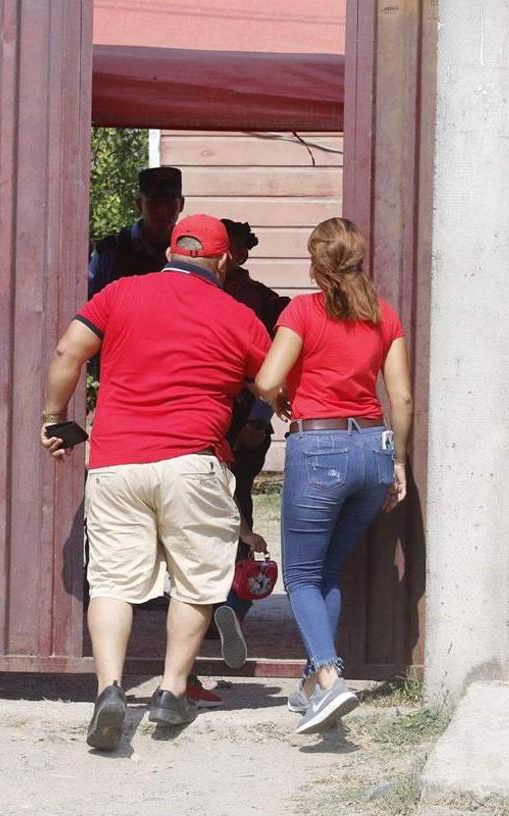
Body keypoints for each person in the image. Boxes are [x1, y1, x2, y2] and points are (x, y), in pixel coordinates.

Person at [42, 214, 272, 752]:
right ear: (222, 260)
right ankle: (171, 691)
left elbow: (66, 353)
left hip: (117, 461)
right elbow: (270, 383)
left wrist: (54, 418)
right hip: (193, 462)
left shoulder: (119, 293)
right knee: (195, 581)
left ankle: (110, 691)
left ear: (172, 249)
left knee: (114, 582)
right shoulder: (239, 316)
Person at [253, 217, 413, 736]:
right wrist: (400, 462)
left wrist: (280, 396)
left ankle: (328, 679)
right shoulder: (384, 315)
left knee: (300, 575)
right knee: (326, 573)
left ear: (315, 264)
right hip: (373, 448)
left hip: (319, 445)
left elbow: (267, 380)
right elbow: (403, 398)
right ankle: (309, 687)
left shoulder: (303, 310)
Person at [200, 221, 290, 682]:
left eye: (235, 249)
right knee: (200, 503)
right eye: (223, 248)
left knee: (236, 502)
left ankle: (231, 602)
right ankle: (213, 602)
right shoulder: (196, 292)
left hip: (242, 418)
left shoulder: (259, 300)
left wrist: (259, 417)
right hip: (204, 411)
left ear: (242, 254)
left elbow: (276, 358)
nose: (227, 256)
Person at [88, 166, 184, 299]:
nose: (162, 210)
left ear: (182, 205)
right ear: (139, 204)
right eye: (154, 202)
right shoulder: (111, 251)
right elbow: (90, 304)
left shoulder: (188, 251)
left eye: (170, 202)